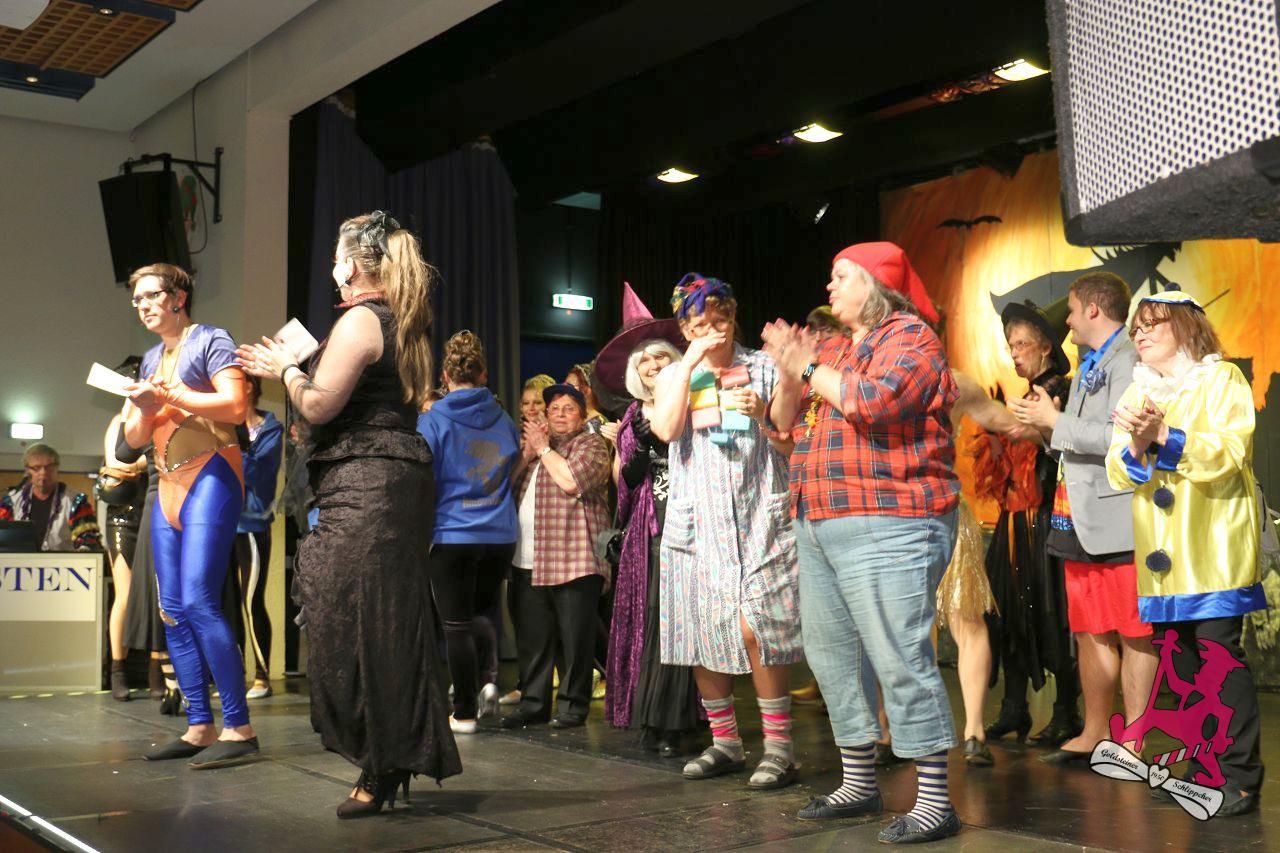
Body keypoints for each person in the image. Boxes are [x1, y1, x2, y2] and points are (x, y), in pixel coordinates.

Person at [238, 211, 460, 817]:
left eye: (337, 258)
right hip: (383, 483)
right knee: (378, 623)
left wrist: (285, 370)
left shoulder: (363, 318)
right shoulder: (403, 319)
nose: (331, 269)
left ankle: (383, 761)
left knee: (360, 624)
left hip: (371, 487)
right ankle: (388, 757)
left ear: (353, 266)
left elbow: (318, 405)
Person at [764, 242, 961, 844]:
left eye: (841, 276)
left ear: (876, 284)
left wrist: (806, 368)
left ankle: (935, 801)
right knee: (833, 657)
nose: (830, 287)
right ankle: (858, 783)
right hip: (819, 520)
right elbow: (782, 425)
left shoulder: (912, 338)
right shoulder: (834, 349)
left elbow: (874, 402)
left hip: (890, 520)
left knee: (899, 657)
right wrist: (790, 372)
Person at [1106, 289, 1265, 817]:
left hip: (1213, 548)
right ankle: (1203, 771)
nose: (1140, 334)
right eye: (1136, 327)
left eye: (1152, 323)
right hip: (1164, 560)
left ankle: (1238, 778)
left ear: (1184, 326)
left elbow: (1229, 452)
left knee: (1218, 660)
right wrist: (1136, 445)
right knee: (1183, 666)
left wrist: (1165, 435)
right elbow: (1116, 469)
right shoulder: (1138, 392)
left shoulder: (1222, 380)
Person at [650, 273, 801, 791]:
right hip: (698, 521)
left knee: (758, 629)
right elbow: (666, 429)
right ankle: (726, 743)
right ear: (684, 329)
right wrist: (690, 363)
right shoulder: (675, 374)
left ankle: (779, 749)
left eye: (720, 320)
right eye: (699, 324)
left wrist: (766, 408)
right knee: (703, 631)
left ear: (734, 318)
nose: (712, 330)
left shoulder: (762, 366)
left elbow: (786, 431)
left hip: (760, 514)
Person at [1009, 272, 1156, 765]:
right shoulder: (1093, 361)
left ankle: (1133, 742)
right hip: (1077, 515)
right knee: (1090, 629)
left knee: (1134, 632)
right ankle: (1095, 732)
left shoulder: (1129, 360)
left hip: (1117, 518)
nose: (1067, 321)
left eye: (1071, 311)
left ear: (1093, 309)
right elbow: (1072, 444)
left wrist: (1056, 422)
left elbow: (1122, 439)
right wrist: (1045, 426)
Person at [120, 262, 258, 769]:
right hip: (168, 484)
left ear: (178, 296)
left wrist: (167, 395)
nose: (143, 306)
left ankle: (239, 727)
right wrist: (144, 406)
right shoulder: (151, 357)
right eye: (137, 300)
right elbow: (134, 438)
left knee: (199, 600)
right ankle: (200, 724)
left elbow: (236, 406)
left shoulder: (210, 339)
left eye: (151, 296)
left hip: (212, 473)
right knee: (172, 607)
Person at [595, 283, 699, 754]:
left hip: (695, 522)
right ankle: (655, 718)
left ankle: (681, 719)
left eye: (660, 357)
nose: (654, 366)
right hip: (649, 529)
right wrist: (642, 438)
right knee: (654, 620)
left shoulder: (696, 402)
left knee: (684, 619)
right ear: (635, 373)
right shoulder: (634, 415)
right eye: (645, 362)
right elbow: (629, 480)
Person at [978, 299, 1081, 750]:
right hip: (1015, 520)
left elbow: (1054, 450)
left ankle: (1066, 711)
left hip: (1046, 519)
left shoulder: (1061, 392)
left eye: (1021, 344)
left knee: (1051, 610)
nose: (1014, 353)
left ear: (1045, 348)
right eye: (1011, 345)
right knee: (1007, 609)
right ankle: (1013, 706)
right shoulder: (1028, 395)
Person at [418, 330, 520, 733]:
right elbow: (511, 465)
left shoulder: (433, 419)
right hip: (499, 537)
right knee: (479, 615)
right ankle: (485, 683)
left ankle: (463, 713)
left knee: (456, 625)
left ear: (445, 376)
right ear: (484, 374)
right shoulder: (504, 418)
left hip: (454, 535)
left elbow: (423, 477)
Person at [503, 383, 613, 729]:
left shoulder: (591, 445)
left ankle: (572, 706)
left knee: (574, 641)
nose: (560, 414)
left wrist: (543, 448)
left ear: (582, 415)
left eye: (569, 409)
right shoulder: (536, 449)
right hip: (528, 559)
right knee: (532, 640)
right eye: (554, 409)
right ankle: (533, 704)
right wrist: (528, 453)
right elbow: (506, 485)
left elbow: (572, 481)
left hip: (574, 560)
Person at [226, 375, 283, 701]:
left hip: (251, 525)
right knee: (227, 604)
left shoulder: (270, 429)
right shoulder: (223, 424)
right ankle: (232, 677)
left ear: (248, 386)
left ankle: (262, 676)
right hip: (222, 524)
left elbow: (256, 474)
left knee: (251, 601)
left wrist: (235, 447)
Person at [96, 404, 151, 701]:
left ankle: (157, 670)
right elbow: (117, 464)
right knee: (125, 595)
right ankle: (118, 669)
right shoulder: (118, 421)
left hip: (155, 508)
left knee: (157, 595)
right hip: (122, 515)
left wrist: (139, 465)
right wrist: (145, 463)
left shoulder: (159, 420)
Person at [1, 444, 101, 552]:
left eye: (49, 467)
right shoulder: (11, 502)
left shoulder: (75, 501)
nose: (43, 472)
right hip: (20, 561)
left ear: (57, 468)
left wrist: (84, 549)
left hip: (63, 561)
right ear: (27, 470)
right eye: (37, 468)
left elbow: (88, 538)